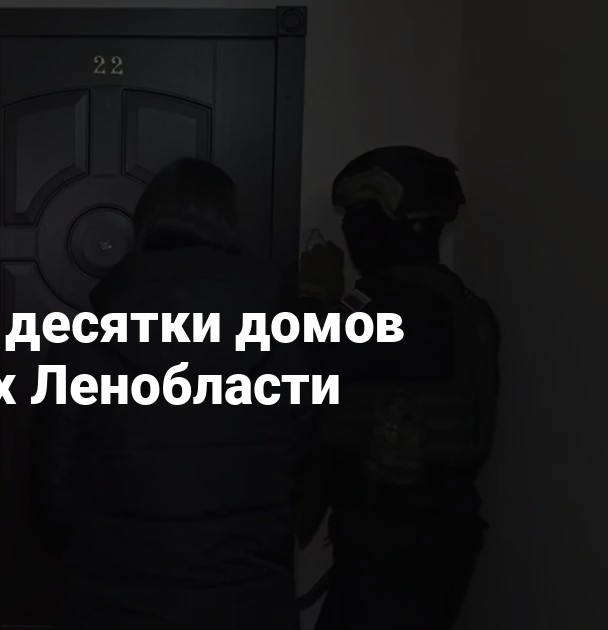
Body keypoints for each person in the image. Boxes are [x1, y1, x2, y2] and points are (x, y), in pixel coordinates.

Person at [32, 158, 311, 630]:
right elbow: (301, 469)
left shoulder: (86, 345)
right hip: (246, 600)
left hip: (116, 601)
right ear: (231, 229)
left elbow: (53, 487)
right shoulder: (281, 343)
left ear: (144, 227)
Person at [296, 146, 500, 630]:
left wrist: (313, 295)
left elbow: (299, 368)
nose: (350, 230)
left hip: (392, 541)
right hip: (433, 532)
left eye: (358, 216)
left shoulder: (388, 305)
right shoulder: (462, 302)